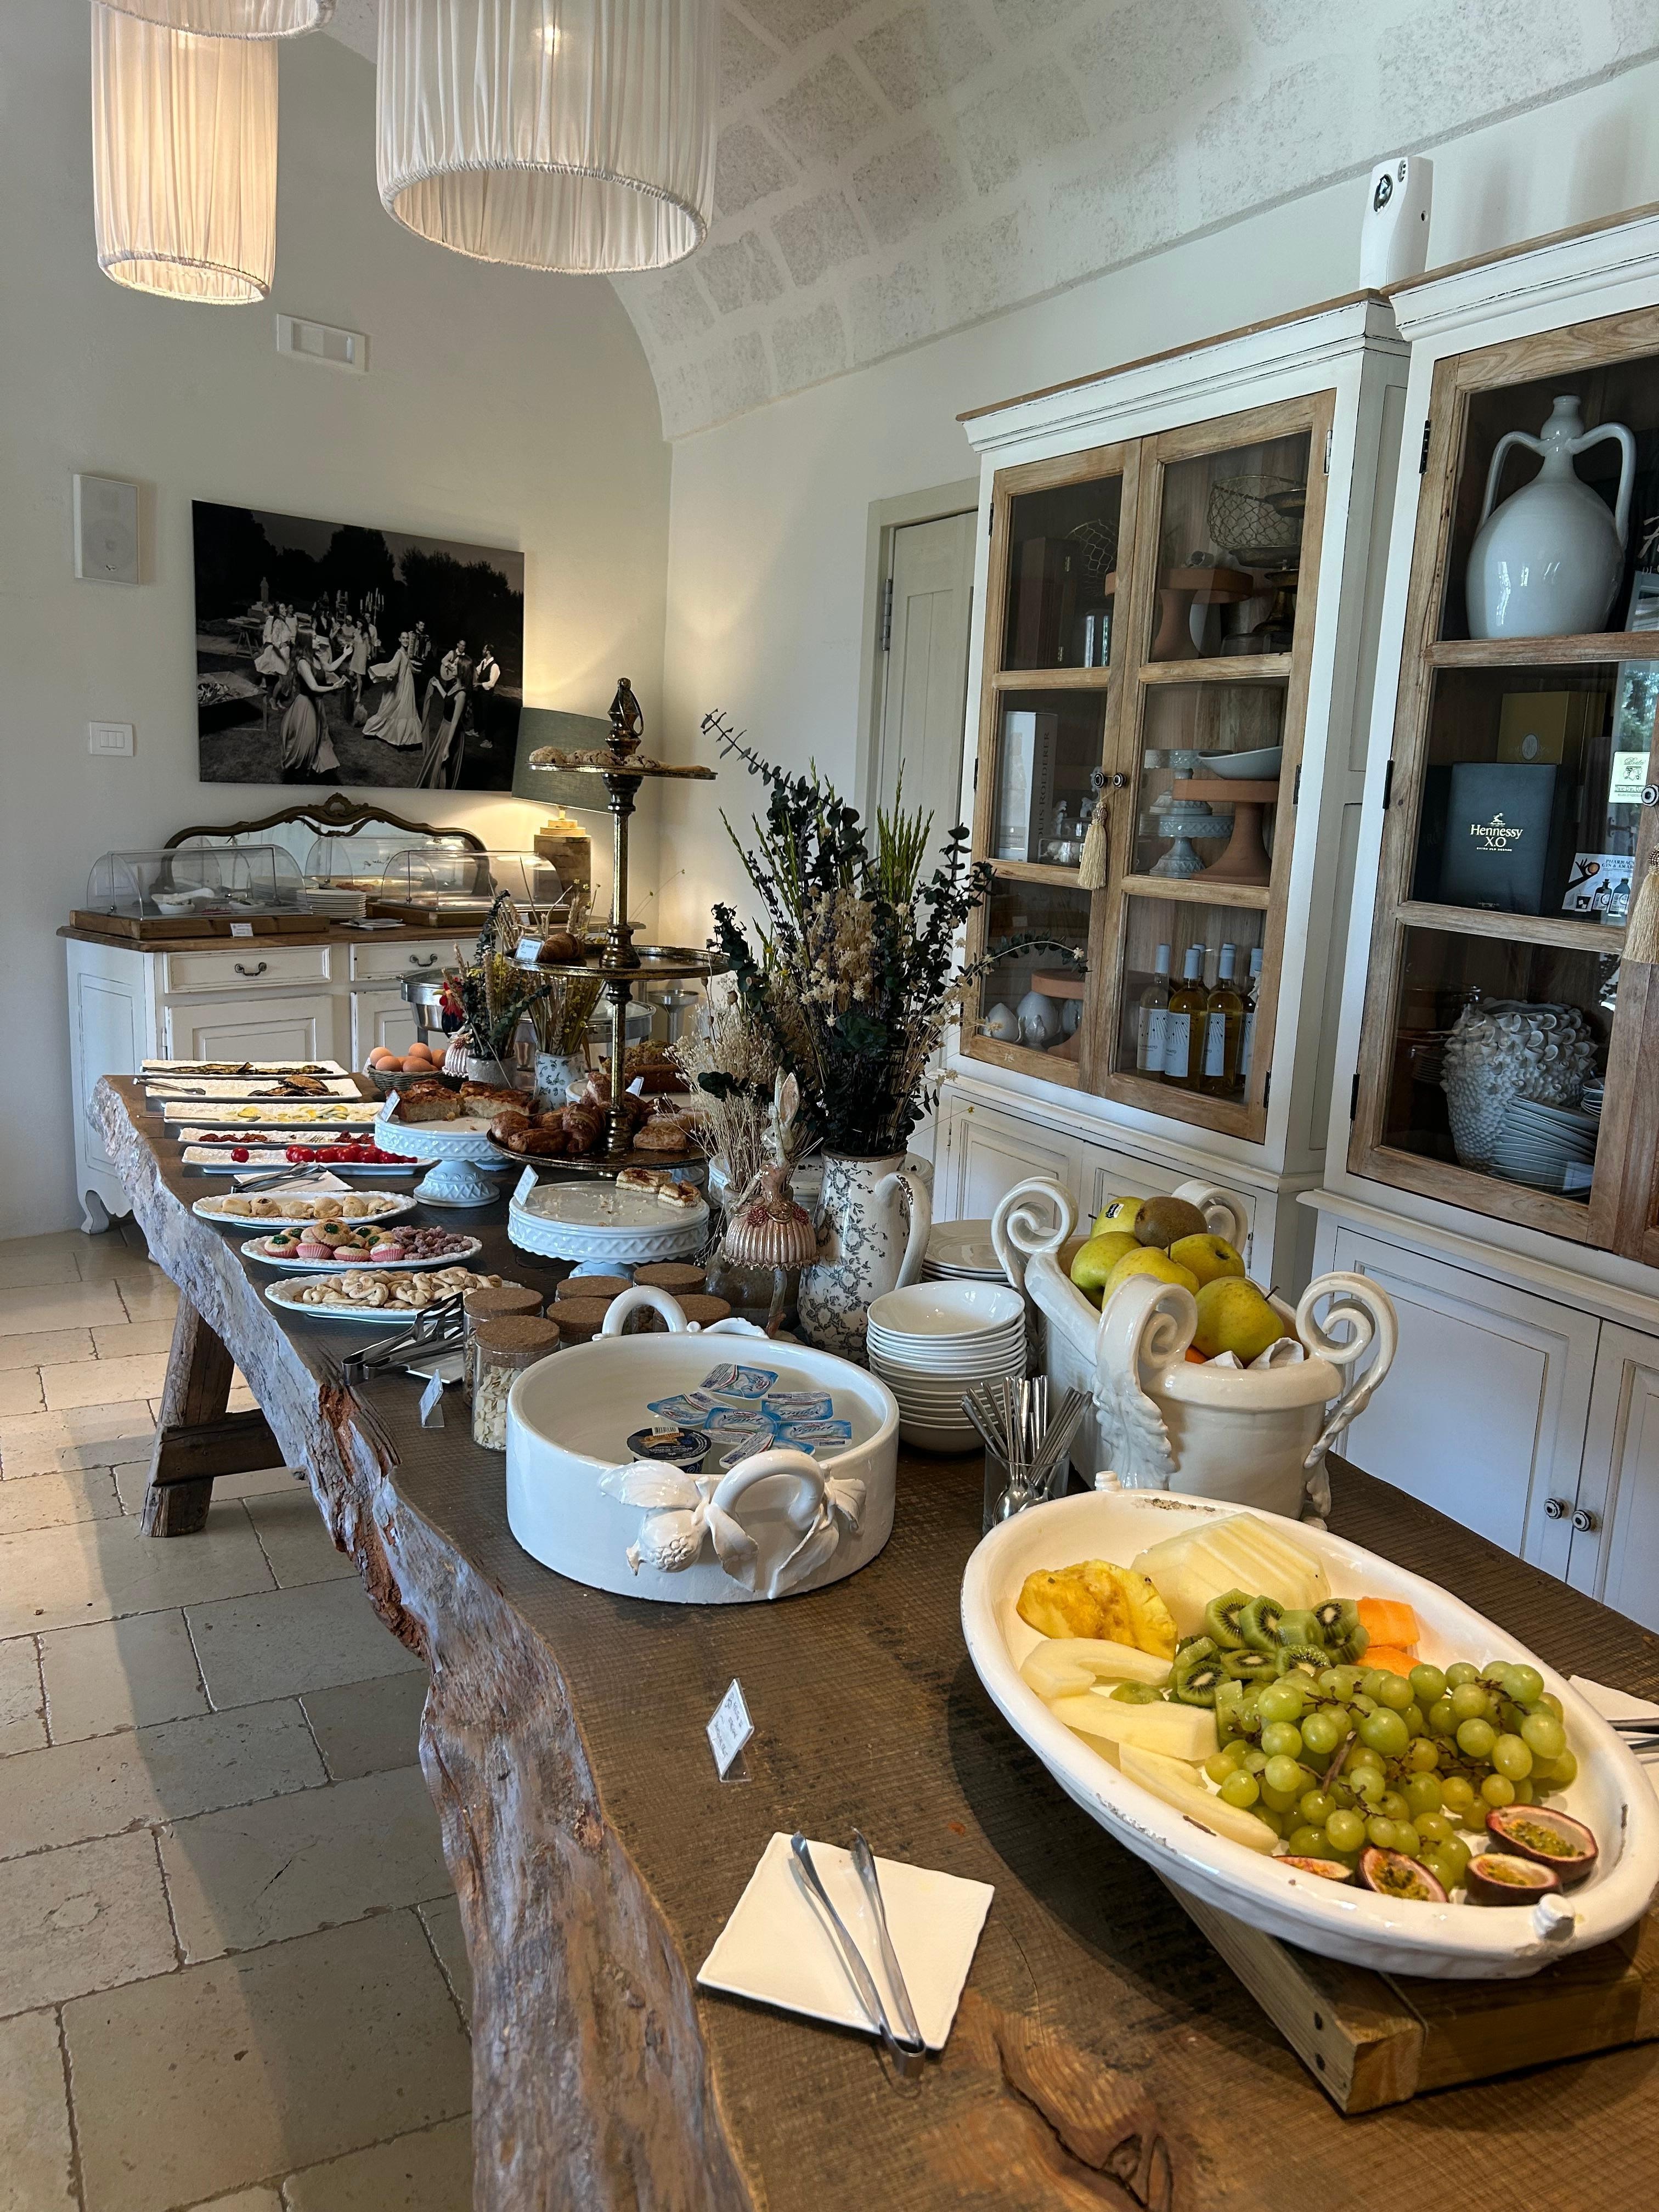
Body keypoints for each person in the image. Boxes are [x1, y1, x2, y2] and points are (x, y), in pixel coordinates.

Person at [278, 633, 347, 781]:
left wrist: (345, 655)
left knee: (321, 737)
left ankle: (313, 767)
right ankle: (300, 771)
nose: (318, 640)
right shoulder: (303, 663)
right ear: (307, 641)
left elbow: (330, 668)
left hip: (318, 704)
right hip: (306, 705)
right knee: (307, 740)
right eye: (315, 638)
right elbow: (314, 687)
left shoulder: (316, 657)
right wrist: (333, 688)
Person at [418, 640, 474, 787]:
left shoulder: (462, 695)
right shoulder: (456, 685)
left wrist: (447, 747)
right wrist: (438, 686)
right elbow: (448, 700)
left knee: (443, 765)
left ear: (461, 670)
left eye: (455, 664)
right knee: (438, 761)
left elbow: (455, 722)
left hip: (451, 731)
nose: (451, 665)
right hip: (445, 727)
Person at [363, 630, 423, 750]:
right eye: (403, 638)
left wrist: (417, 671)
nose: (406, 640)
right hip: (402, 686)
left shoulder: (406, 653)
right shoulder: (399, 654)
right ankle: (388, 734)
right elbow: (394, 667)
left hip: (408, 686)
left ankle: (404, 739)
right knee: (397, 709)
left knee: (406, 711)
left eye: (407, 638)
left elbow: (409, 666)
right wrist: (390, 674)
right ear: (400, 640)